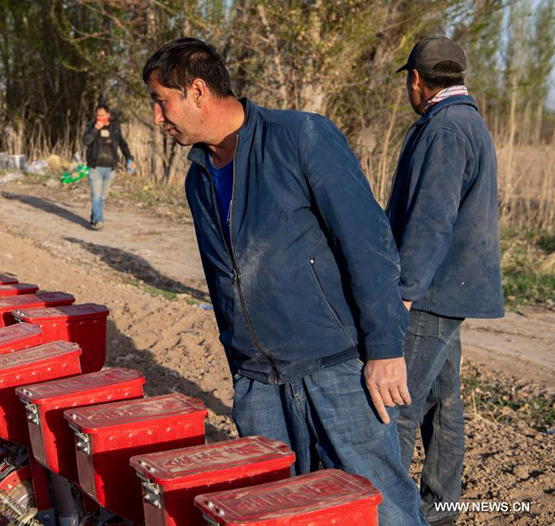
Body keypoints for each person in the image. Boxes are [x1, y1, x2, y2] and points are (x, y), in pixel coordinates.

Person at [143, 38, 427, 526]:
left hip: (337, 371)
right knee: (281, 511)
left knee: (381, 508)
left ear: (196, 91)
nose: (156, 117)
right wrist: (239, 369)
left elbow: (369, 245)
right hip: (260, 387)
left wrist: (385, 349)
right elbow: (220, 280)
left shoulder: (300, 137)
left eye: (159, 100)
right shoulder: (198, 178)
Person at [389, 37, 504, 526]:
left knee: (396, 405)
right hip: (450, 287)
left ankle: (388, 510)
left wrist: (406, 291)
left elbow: (431, 220)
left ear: (416, 79)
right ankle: (441, 509)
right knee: (443, 399)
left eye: (408, 82)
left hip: (433, 292)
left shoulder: (446, 129)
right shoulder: (463, 121)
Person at [81, 104, 135, 230]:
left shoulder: (114, 128)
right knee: (96, 195)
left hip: (110, 168)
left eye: (103, 115)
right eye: (98, 116)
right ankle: (99, 221)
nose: (100, 118)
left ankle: (94, 218)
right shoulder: (91, 127)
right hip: (95, 167)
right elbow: (86, 141)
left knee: (102, 197)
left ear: (108, 115)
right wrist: (95, 129)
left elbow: (122, 144)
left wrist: (129, 158)